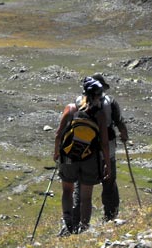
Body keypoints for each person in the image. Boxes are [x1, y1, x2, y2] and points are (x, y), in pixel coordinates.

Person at [54, 77, 111, 236]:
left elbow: (59, 133)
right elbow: (104, 143)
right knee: (86, 197)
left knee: (67, 191)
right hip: (90, 158)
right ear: (98, 95)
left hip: (68, 156)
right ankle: (84, 228)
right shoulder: (99, 115)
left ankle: (68, 224)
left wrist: (56, 152)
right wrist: (108, 164)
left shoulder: (71, 108)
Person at [72, 74, 129, 225]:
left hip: (83, 151)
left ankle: (76, 221)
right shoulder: (110, 103)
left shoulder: (77, 102)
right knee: (109, 182)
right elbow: (120, 122)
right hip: (107, 150)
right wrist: (124, 135)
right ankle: (111, 215)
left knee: (81, 187)